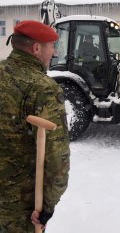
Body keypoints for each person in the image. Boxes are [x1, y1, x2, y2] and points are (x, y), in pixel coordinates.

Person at [0, 20, 70, 232]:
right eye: (51, 46)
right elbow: (57, 157)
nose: (54, 52)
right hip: (19, 206)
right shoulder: (43, 88)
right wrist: (47, 206)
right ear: (36, 48)